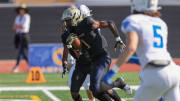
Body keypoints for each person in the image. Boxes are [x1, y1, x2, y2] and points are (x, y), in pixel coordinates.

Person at [104, 0, 180, 101]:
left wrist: (111, 73)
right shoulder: (161, 23)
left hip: (155, 73)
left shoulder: (133, 20)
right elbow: (154, 55)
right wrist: (131, 59)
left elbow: (131, 48)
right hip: (173, 71)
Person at [61, 7, 131, 101]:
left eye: (68, 20)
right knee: (91, 91)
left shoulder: (87, 23)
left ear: (75, 18)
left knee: (96, 88)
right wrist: (67, 56)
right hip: (86, 61)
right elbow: (75, 52)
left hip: (100, 57)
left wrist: (118, 40)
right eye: (65, 21)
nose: (65, 23)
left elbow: (109, 23)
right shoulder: (67, 34)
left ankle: (118, 83)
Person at [12, 5, 31, 72]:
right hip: (18, 36)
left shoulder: (27, 16)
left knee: (24, 52)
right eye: (20, 9)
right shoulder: (17, 17)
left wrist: (18, 26)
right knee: (21, 51)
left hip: (24, 36)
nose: (21, 10)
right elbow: (14, 27)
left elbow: (23, 27)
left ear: (25, 10)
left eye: (23, 9)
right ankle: (29, 66)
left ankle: (30, 66)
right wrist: (18, 26)